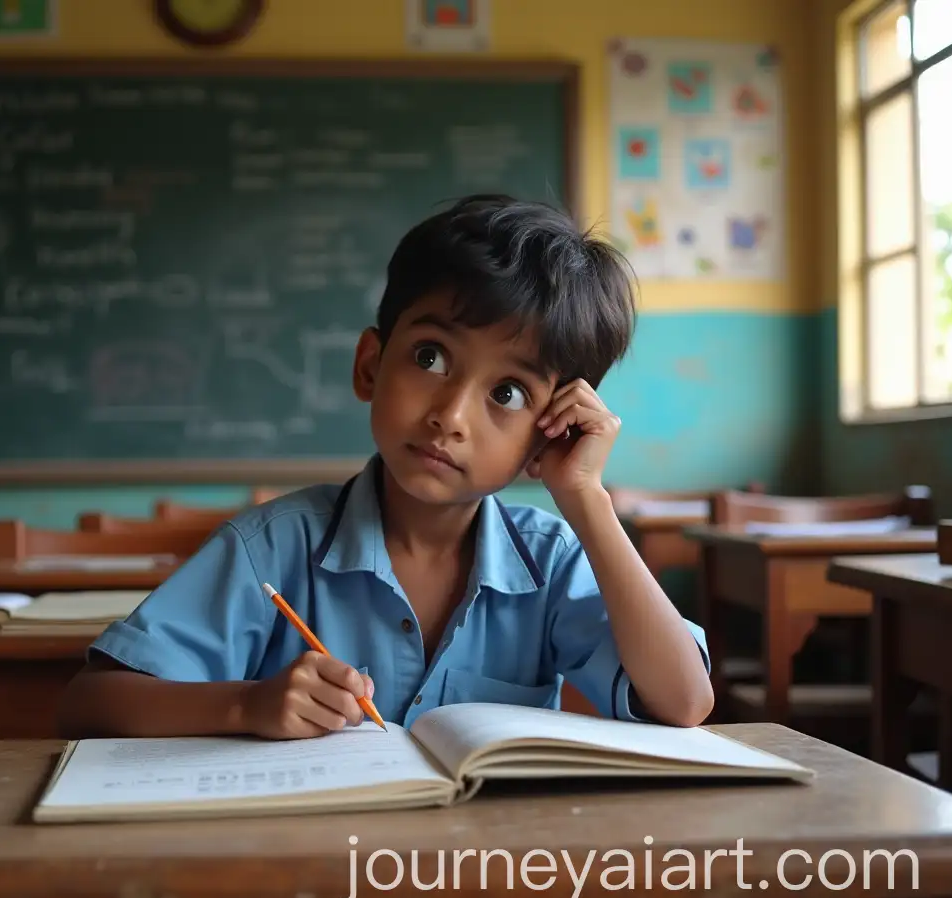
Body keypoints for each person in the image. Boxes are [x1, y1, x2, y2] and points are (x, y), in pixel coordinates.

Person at [58, 194, 713, 740]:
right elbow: (90, 704)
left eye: (506, 394)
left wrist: (585, 497)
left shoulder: (551, 561)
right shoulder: (271, 551)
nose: (451, 416)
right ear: (370, 365)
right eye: (430, 357)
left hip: (488, 873)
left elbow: (683, 703)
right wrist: (244, 705)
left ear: (552, 431)